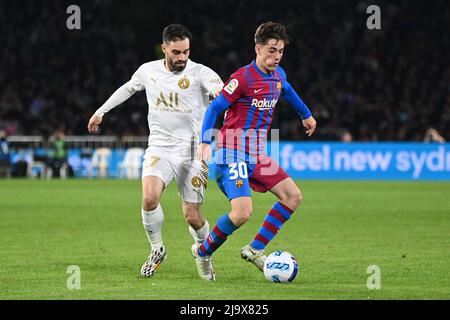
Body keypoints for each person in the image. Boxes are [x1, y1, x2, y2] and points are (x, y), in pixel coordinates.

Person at [87, 24, 223, 280]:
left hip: (193, 152)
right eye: (176, 52)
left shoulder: (201, 73)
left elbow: (221, 90)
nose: (182, 57)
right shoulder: (147, 71)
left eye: (186, 52)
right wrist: (100, 111)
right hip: (160, 147)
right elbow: (128, 88)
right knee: (149, 198)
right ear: (164, 49)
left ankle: (204, 252)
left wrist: (219, 95)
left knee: (192, 216)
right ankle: (157, 249)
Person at [195, 22, 317, 279]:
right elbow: (215, 108)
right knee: (241, 214)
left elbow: (289, 91)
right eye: (272, 50)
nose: (276, 57)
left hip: (257, 154)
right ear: (258, 48)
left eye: (281, 51)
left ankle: (254, 249)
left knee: (293, 196)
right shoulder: (242, 78)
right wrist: (206, 142)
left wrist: (306, 115)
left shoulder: (278, 75)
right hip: (232, 153)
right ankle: (203, 253)